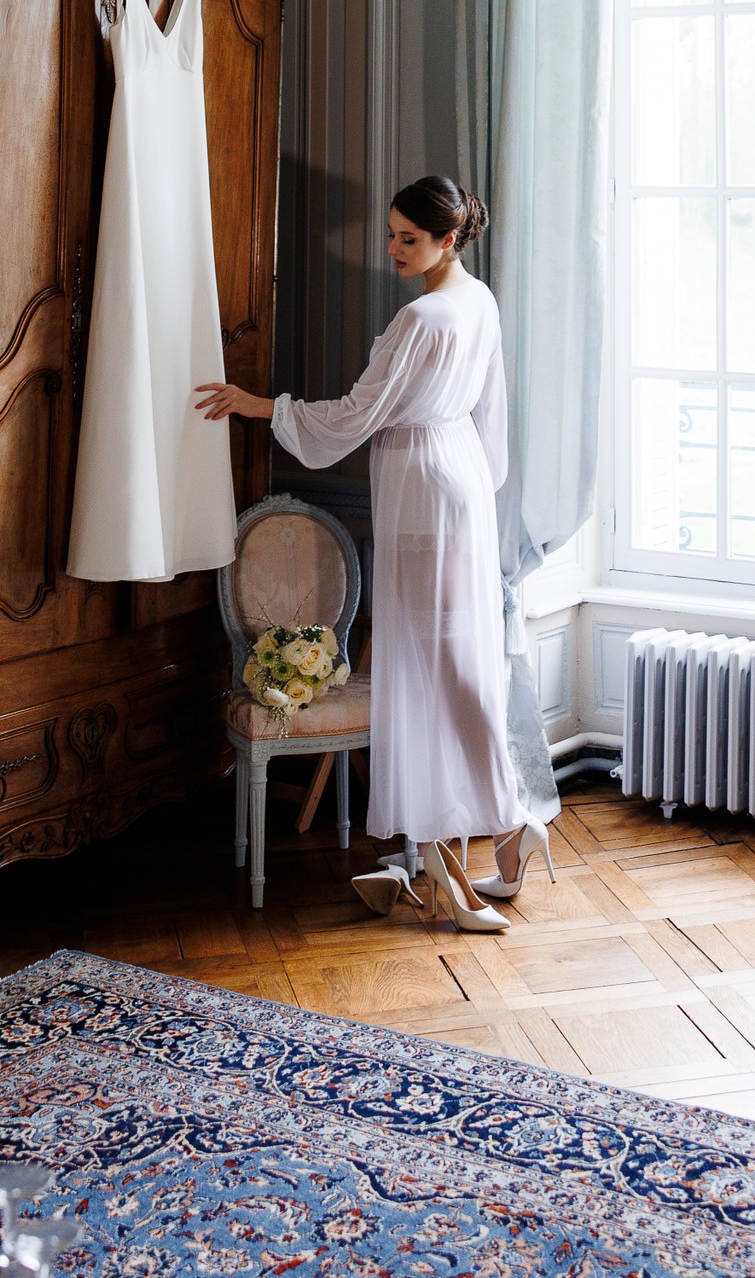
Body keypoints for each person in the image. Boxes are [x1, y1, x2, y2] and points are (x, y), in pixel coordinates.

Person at [195, 175, 555, 929]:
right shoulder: (478, 300)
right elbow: (491, 414)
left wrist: (261, 406)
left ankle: (469, 841)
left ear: (447, 239)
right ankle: (499, 831)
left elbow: (359, 412)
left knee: (429, 666)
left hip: (422, 484)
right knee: (457, 657)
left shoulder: (422, 316)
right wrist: (474, 485)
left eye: (408, 239)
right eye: (390, 233)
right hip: (459, 476)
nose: (392, 248)